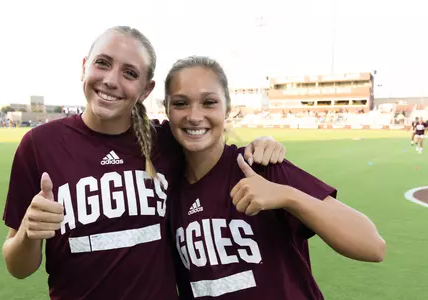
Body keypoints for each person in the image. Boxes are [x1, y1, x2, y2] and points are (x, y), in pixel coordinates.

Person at [1, 26, 286, 300]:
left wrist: (264, 142)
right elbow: (18, 268)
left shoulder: (165, 142)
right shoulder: (40, 145)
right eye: (102, 63)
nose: (111, 80)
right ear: (84, 66)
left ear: (146, 90)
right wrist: (28, 231)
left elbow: (209, 139)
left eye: (129, 73)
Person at [164, 56, 386, 300]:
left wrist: (287, 196)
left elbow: (373, 246)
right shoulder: (165, 193)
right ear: (167, 109)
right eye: (181, 103)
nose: (195, 116)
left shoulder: (262, 167)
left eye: (209, 102)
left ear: (227, 108)